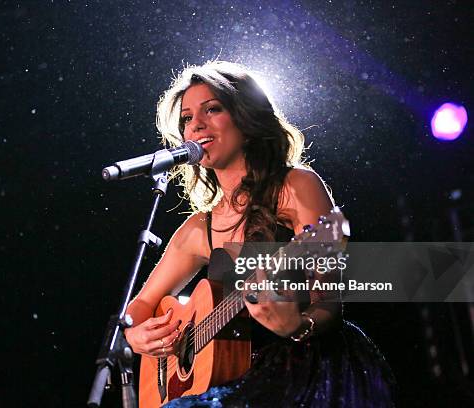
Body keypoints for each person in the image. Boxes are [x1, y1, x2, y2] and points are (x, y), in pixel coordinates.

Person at [124, 60, 395, 407]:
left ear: (247, 120)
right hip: (235, 380)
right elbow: (142, 305)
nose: (196, 126)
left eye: (213, 109)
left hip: (306, 368)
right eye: (187, 119)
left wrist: (298, 326)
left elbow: (330, 299)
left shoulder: (296, 186)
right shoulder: (197, 228)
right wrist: (135, 336)